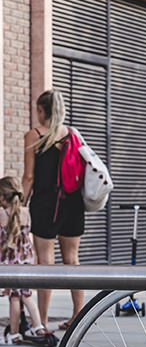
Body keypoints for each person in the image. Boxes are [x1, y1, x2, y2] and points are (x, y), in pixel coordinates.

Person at [21, 89, 85, 331]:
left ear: (40, 110)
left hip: (46, 204)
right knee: (72, 260)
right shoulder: (71, 134)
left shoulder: (34, 135)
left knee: (45, 262)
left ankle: (44, 322)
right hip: (73, 203)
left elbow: (28, 177)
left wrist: (21, 204)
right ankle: (78, 316)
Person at [0, 177, 48, 344]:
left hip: (11, 263)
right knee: (27, 296)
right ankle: (38, 327)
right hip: (26, 261)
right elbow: (29, 239)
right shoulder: (26, 213)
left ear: (1, 197)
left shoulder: (2, 215)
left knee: (14, 298)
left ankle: (13, 334)